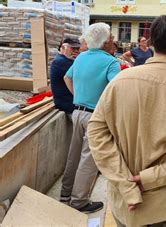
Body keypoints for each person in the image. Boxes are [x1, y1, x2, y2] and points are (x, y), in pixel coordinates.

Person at [88, 14, 166, 227]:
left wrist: (125, 183)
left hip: (126, 204)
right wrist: (153, 177)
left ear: (152, 42)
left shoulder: (121, 81)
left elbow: (96, 132)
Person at [60, 23, 120, 213]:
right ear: (104, 42)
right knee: (89, 159)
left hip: (77, 111)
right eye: (110, 37)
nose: (112, 40)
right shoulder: (111, 62)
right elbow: (117, 88)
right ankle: (79, 202)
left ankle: (65, 194)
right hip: (95, 116)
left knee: (74, 155)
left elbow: (67, 78)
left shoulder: (81, 58)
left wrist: (78, 96)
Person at [50, 38, 81, 115]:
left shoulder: (67, 60)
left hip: (70, 102)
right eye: (72, 48)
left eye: (78, 48)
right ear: (63, 48)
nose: (76, 51)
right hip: (67, 104)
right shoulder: (61, 62)